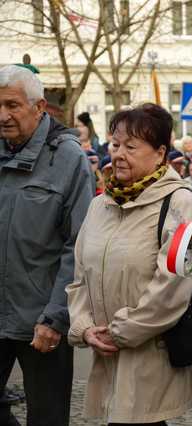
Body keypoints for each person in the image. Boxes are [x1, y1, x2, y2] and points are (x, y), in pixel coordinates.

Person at [65, 103, 192, 425]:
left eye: (131, 146)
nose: (119, 154)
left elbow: (173, 283)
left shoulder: (178, 200)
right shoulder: (101, 203)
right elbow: (79, 275)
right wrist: (85, 328)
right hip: (105, 349)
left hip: (149, 353)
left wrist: (123, 331)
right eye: (115, 144)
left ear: (159, 153)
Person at [0, 64, 94, 426]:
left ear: (39, 108)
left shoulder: (67, 158)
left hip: (41, 319)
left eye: (12, 105)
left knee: (48, 418)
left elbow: (79, 245)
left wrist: (56, 317)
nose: (3, 115)